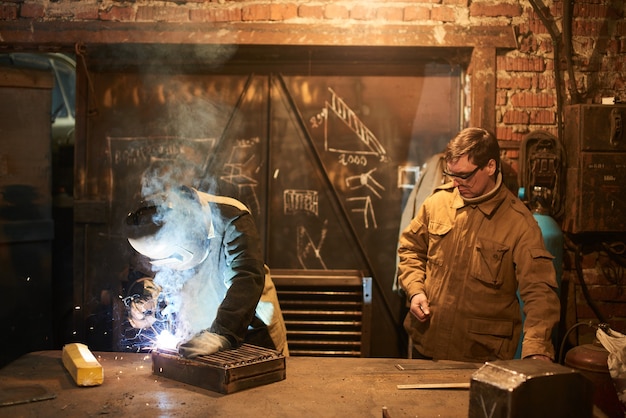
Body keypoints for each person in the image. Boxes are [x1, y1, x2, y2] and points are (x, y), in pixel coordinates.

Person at [397, 127, 560, 363]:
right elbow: (411, 249)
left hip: (481, 357)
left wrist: (537, 348)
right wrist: (415, 291)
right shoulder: (438, 203)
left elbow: (540, 292)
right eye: (451, 174)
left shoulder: (519, 223)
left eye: (464, 175)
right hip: (427, 344)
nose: (456, 182)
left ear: (490, 167)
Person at [125, 185, 288, 358]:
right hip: (199, 336)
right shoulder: (151, 223)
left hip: (250, 331)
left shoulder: (231, 216)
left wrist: (223, 332)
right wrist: (148, 300)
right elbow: (152, 275)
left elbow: (247, 277)